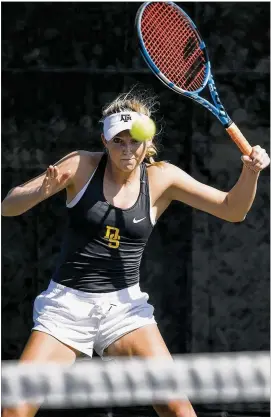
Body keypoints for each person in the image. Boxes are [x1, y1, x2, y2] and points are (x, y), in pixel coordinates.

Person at [2, 91, 270, 417]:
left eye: (135, 141)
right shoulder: (80, 165)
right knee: (15, 409)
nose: (127, 149)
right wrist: (39, 190)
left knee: (179, 409)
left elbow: (233, 209)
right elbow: (8, 206)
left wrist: (251, 172)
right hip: (65, 308)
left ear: (148, 141)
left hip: (125, 311)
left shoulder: (162, 178)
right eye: (119, 141)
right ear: (104, 140)